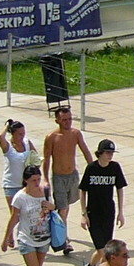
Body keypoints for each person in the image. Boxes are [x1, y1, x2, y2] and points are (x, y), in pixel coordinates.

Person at [1, 165, 52, 266]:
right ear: (26, 180)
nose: (37, 183)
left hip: (44, 239)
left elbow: (52, 208)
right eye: (33, 180)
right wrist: (7, 237)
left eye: (38, 179)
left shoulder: (45, 192)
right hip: (26, 240)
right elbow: (14, 218)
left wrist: (51, 207)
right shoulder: (20, 197)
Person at [79, 140, 127, 266]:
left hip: (108, 213)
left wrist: (120, 212)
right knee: (103, 251)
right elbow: (83, 190)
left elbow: (120, 189)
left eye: (112, 153)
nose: (110, 155)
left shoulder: (115, 167)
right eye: (107, 152)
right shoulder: (91, 168)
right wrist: (83, 214)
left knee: (104, 250)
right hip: (93, 213)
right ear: (100, 153)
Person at [42, 106, 90, 254]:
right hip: (59, 177)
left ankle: (59, 229)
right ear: (57, 120)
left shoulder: (76, 134)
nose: (68, 122)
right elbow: (47, 159)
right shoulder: (52, 137)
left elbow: (85, 150)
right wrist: (45, 178)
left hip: (73, 176)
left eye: (69, 119)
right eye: (64, 120)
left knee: (66, 206)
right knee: (63, 209)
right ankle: (63, 241)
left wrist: (93, 169)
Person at [0, 119, 33, 207]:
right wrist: (7, 125)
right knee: (15, 212)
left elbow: (35, 158)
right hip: (11, 185)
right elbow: (0, 136)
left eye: (23, 133)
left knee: (26, 211)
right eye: (19, 134)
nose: (22, 136)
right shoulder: (8, 147)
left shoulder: (27, 143)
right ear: (13, 134)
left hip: (26, 184)